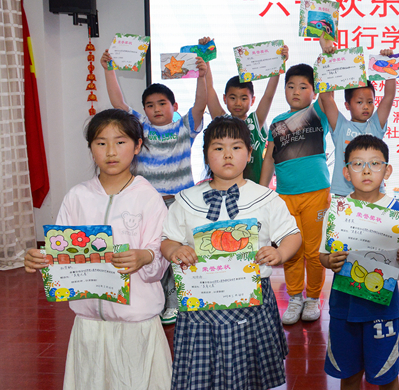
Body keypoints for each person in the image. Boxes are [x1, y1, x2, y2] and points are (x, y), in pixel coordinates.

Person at [24, 109, 171, 390]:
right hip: (88, 323)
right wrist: (41, 259)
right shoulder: (77, 197)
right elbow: (61, 255)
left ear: (137, 146)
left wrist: (146, 256)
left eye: (120, 142)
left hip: (136, 322)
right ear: (91, 148)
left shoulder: (148, 198)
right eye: (101, 143)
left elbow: (158, 255)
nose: (111, 151)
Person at [161, 116, 302, 390]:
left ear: (249, 154)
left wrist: (280, 253)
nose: (227, 154)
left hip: (252, 300)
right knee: (204, 372)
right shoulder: (186, 200)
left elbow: (292, 235)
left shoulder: (265, 198)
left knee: (249, 373)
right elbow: (167, 240)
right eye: (218, 148)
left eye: (236, 147)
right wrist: (175, 250)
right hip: (201, 301)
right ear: (206, 155)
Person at [100, 48, 207, 324]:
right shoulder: (141, 128)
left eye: (162, 103)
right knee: (154, 253)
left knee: (177, 252)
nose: (156, 109)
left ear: (174, 106)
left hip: (179, 203)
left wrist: (202, 75)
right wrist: (109, 69)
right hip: (148, 205)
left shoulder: (185, 127)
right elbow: (118, 103)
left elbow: (200, 103)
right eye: (150, 105)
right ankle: (159, 302)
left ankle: (176, 302)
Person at [319, 135, 399, 390]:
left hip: (383, 309)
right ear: (346, 172)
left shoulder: (397, 211)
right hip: (344, 306)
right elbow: (323, 255)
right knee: (349, 374)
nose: (366, 170)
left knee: (386, 373)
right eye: (357, 164)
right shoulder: (337, 211)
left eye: (375, 163)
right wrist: (330, 260)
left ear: (387, 170)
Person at [259, 63, 332, 324]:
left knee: (313, 251)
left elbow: (329, 91)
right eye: (291, 86)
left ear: (314, 91)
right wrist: (261, 192)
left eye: (303, 86)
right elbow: (269, 158)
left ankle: (312, 297)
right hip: (285, 196)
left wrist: (326, 52)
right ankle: (294, 298)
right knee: (290, 250)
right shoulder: (277, 123)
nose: (296, 91)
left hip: (316, 194)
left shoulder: (318, 113)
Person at [204, 36, 289, 184]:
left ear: (252, 100)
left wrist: (279, 64)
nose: (238, 103)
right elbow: (209, 90)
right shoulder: (222, 120)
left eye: (244, 98)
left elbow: (268, 95)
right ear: (224, 98)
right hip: (226, 189)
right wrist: (206, 58)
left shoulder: (255, 121)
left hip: (253, 190)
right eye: (233, 98)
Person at [317, 41, 397, 197]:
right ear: (347, 105)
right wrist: (327, 59)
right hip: (344, 194)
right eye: (359, 102)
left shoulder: (375, 126)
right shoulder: (340, 126)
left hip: (374, 194)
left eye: (370, 102)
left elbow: (389, 96)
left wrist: (389, 63)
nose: (366, 106)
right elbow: (326, 97)